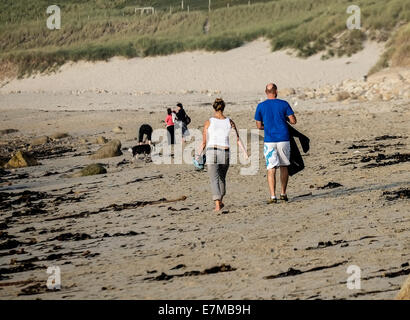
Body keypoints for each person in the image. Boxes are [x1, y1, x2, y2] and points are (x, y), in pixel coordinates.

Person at [197, 98, 248, 211]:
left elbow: (204, 142)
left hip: (211, 151)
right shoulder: (230, 121)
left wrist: (198, 155)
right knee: (222, 178)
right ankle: (220, 200)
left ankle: (217, 204)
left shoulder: (208, 122)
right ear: (223, 108)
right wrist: (244, 152)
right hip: (225, 152)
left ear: (214, 108)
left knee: (214, 178)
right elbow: (237, 139)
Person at [254, 83, 297, 204]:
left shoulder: (261, 106)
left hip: (269, 140)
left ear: (266, 92)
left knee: (271, 168)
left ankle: (273, 196)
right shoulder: (284, 104)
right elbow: (293, 121)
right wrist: (284, 119)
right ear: (276, 91)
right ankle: (283, 193)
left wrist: (267, 126)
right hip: (283, 138)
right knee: (284, 166)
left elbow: (258, 126)